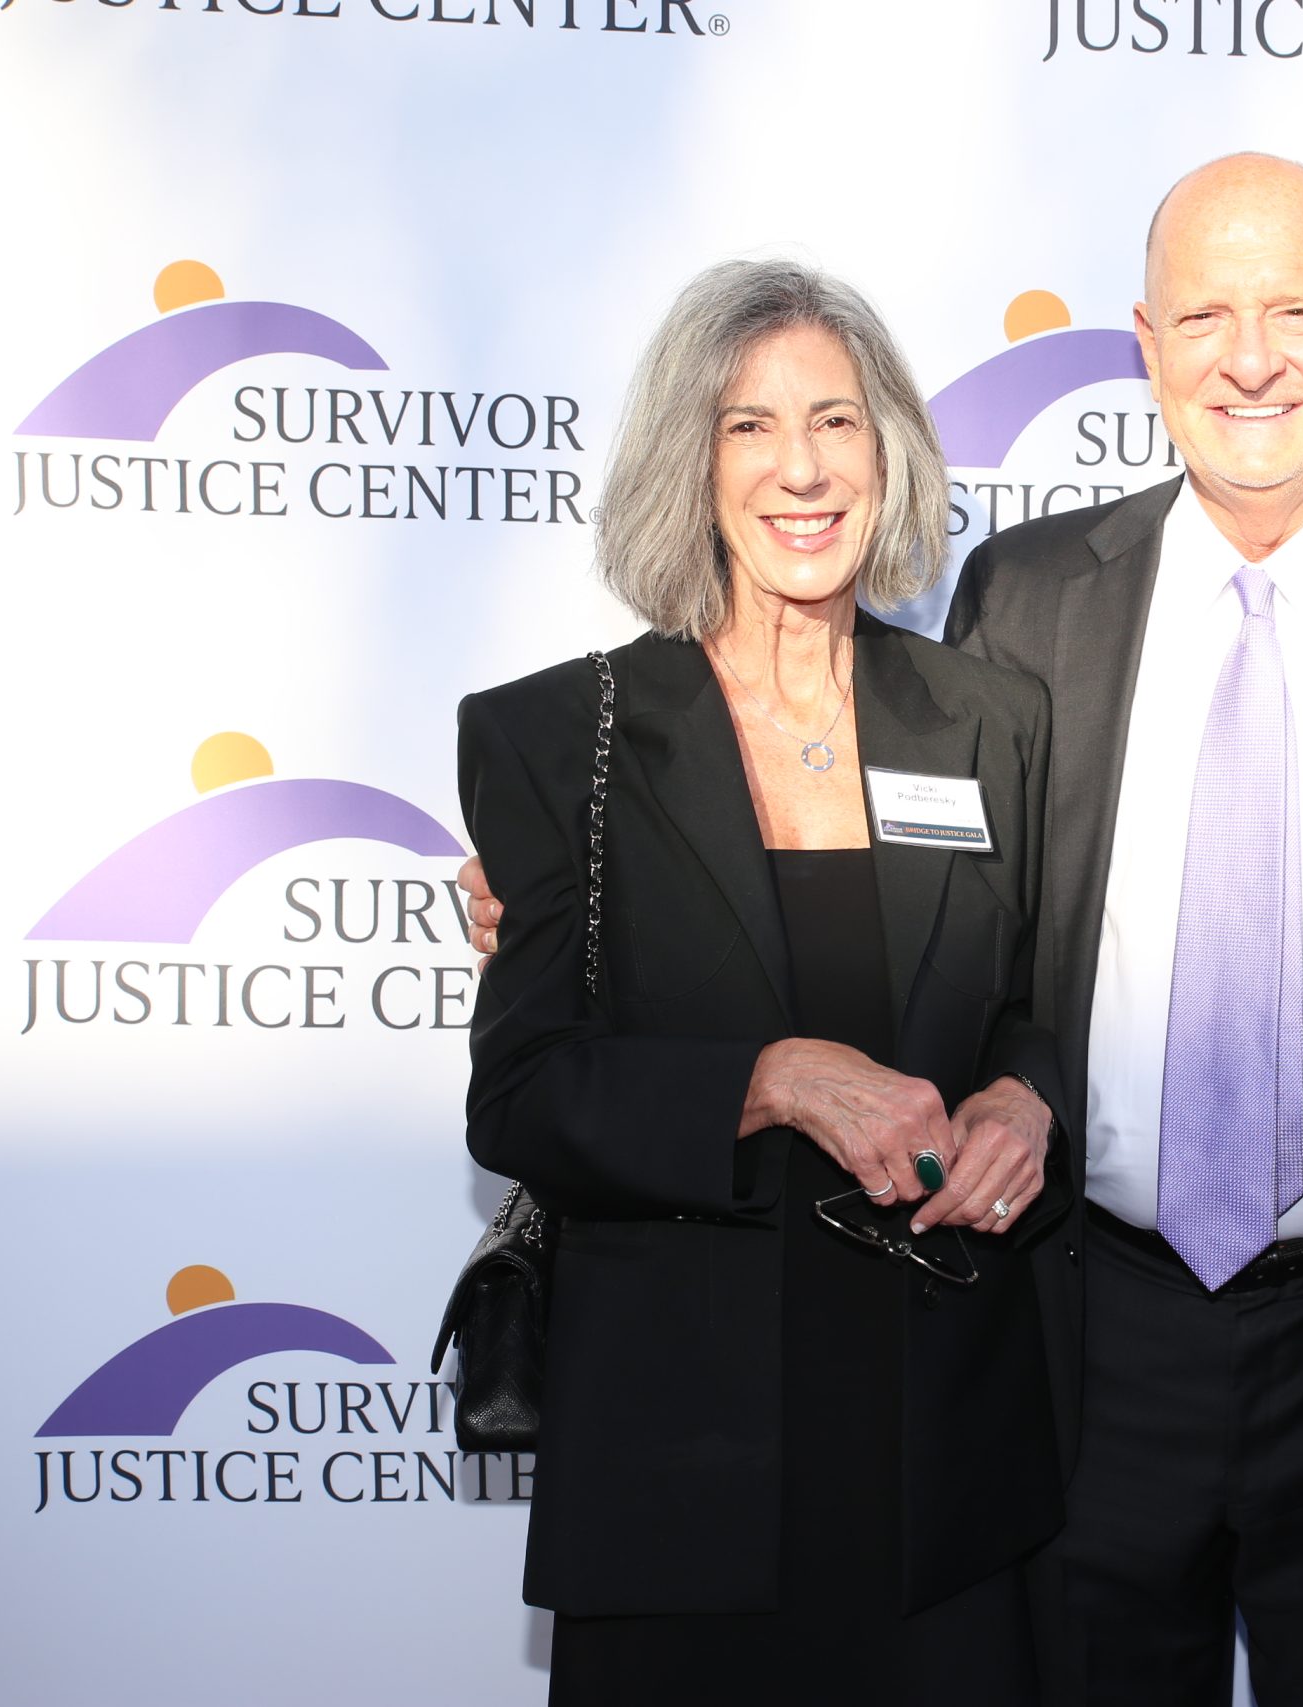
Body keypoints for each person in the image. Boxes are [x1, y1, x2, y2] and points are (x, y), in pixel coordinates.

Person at [463, 155, 1303, 1707]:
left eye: (1297, 313)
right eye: (1205, 318)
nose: (1251, 360)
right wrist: (575, 898)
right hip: (1086, 1348)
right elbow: (997, 955)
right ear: (1148, 349)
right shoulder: (1027, 602)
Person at [455, 258, 1067, 1706]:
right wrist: (773, 1080)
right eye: (750, 426)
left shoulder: (991, 721)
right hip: (681, 1469)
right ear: (693, 461)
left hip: (943, 1461)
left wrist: (1027, 1101)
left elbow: (1037, 1007)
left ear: (889, 451)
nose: (802, 468)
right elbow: (523, 1096)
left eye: (836, 421)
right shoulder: (560, 738)